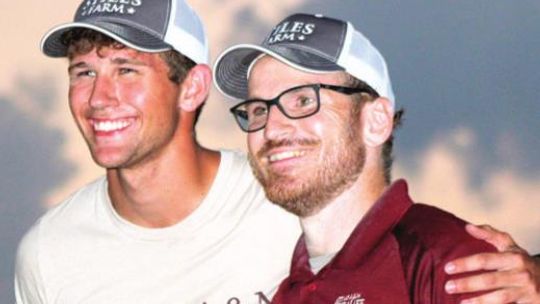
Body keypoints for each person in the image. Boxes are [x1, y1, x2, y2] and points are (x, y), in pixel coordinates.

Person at [15, 1, 539, 303]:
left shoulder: (294, 195)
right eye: (83, 72)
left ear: (193, 88)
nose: (99, 97)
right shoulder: (46, 253)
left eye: (126, 69)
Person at [213, 13, 540, 303]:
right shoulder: (287, 292)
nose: (271, 128)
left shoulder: (451, 265)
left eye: (302, 100)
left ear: (376, 121)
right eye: (257, 110)